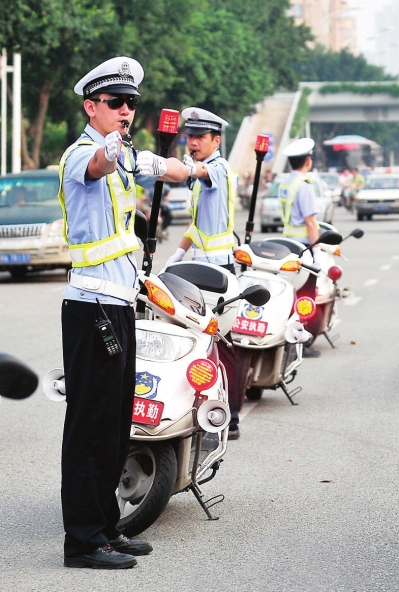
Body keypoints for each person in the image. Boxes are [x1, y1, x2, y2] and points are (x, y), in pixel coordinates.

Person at [58, 56, 195, 570]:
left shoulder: (127, 154)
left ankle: (108, 528)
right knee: (91, 425)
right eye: (116, 103)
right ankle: (83, 541)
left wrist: (195, 168)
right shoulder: (81, 155)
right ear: (90, 106)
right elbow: (99, 165)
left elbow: (165, 167)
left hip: (118, 306)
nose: (126, 111)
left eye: (131, 103)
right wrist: (113, 145)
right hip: (90, 308)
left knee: (118, 424)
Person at [165, 107, 241, 440]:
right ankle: (196, 409)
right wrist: (177, 254)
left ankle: (233, 415)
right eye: (189, 136)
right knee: (195, 340)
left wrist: (176, 166)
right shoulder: (203, 172)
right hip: (199, 271)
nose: (192, 142)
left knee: (222, 344)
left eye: (199, 137)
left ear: (216, 140)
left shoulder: (218, 170)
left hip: (220, 272)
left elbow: (197, 171)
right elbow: (196, 225)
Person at [279, 137, 322, 359]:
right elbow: (311, 222)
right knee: (305, 298)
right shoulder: (305, 185)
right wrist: (317, 252)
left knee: (291, 296)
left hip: (288, 245)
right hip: (304, 247)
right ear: (308, 161)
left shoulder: (285, 184)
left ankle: (287, 341)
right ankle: (300, 344)